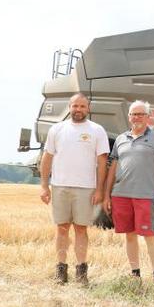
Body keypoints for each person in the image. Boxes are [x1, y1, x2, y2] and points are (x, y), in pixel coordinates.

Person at [39, 92, 109, 285]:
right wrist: (44, 186)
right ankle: (61, 271)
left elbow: (102, 163)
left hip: (86, 188)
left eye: (82, 106)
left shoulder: (97, 130)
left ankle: (81, 272)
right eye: (75, 106)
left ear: (88, 108)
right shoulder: (57, 129)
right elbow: (47, 159)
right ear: (69, 107)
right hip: (60, 186)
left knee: (80, 229)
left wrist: (100, 190)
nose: (78, 110)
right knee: (61, 229)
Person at [104, 100, 154, 285]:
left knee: (150, 235)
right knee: (129, 235)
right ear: (129, 117)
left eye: (141, 114)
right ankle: (135, 274)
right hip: (121, 195)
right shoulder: (120, 139)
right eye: (134, 114)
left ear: (148, 117)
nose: (137, 117)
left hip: (146, 196)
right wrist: (106, 195)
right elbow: (112, 169)